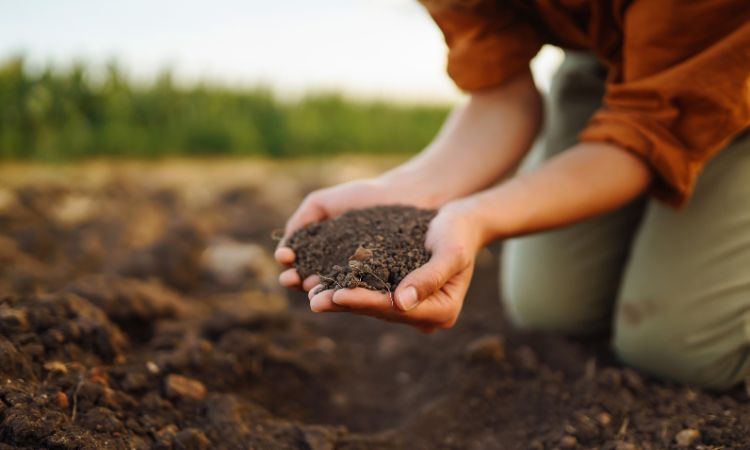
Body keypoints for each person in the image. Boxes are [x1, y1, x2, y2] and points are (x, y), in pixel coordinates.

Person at [275, 1, 750, 389]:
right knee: (551, 307)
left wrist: (480, 217)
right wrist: (401, 192)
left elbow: (647, 133)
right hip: (610, 62)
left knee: (679, 349)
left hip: (730, 58)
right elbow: (500, 97)